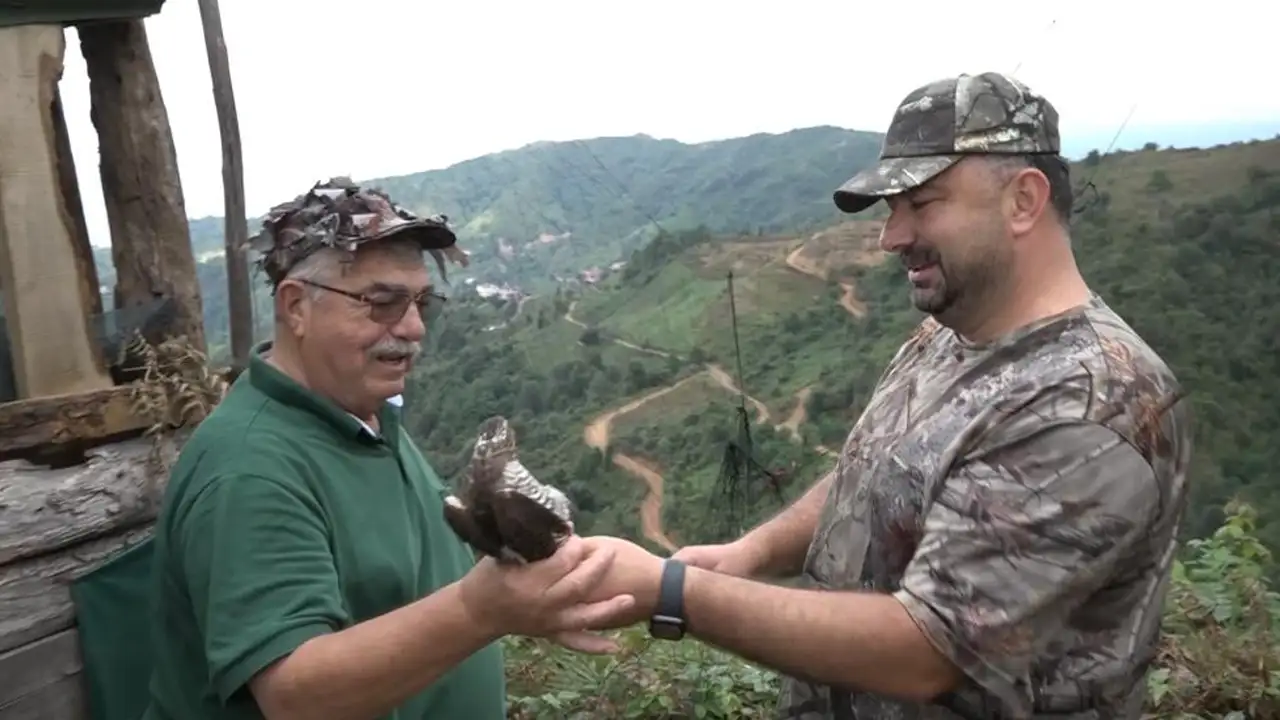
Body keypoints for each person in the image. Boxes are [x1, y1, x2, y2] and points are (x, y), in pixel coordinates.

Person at [577, 71, 1193, 719]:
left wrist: (670, 591)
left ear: (1023, 201)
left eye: (922, 204)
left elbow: (927, 651)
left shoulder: (1090, 404)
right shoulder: (947, 334)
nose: (890, 236)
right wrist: (750, 553)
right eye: (891, 209)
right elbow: (874, 472)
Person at [142, 178, 634, 720]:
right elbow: (294, 693)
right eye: (382, 303)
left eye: (422, 301)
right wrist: (484, 611)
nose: (415, 327)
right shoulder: (250, 470)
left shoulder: (361, 416)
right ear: (296, 307)